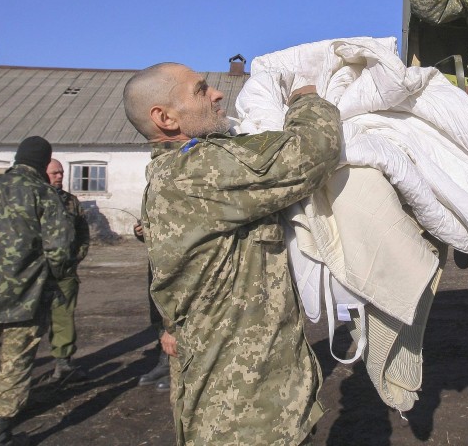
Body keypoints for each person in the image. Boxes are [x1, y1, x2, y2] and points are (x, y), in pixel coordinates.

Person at [123, 63, 342, 445]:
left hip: (259, 406)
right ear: (165, 118)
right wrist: (307, 99)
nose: (218, 94)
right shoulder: (195, 170)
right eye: (201, 90)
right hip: (244, 419)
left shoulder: (179, 172)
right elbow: (312, 153)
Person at [0, 137, 73, 446]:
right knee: (15, 366)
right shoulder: (45, 196)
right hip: (25, 301)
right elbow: (59, 251)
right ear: (44, 163)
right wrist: (58, 281)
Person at [46, 158, 91, 382]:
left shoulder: (71, 202)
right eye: (54, 173)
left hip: (65, 273)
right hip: (35, 274)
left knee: (63, 317)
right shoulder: (34, 199)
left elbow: (83, 233)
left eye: (61, 172)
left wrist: (75, 258)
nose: (59, 176)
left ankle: (63, 364)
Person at [134, 220, 174, 395]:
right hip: (158, 263)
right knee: (158, 315)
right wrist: (142, 232)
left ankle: (179, 370)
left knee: (177, 316)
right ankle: (165, 362)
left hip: (180, 262)